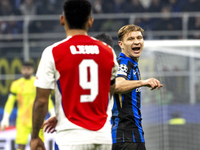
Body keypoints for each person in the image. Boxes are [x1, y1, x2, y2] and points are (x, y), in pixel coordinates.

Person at [30, 0, 118, 150]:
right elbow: (108, 91)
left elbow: (41, 101)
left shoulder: (53, 52)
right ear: (90, 22)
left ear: (62, 20)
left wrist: (34, 136)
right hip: (102, 136)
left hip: (72, 137)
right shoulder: (108, 52)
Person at [111, 24, 163, 150]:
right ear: (121, 44)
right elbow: (117, 85)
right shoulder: (124, 63)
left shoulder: (132, 64)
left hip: (131, 135)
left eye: (139, 38)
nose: (136, 41)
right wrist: (143, 82)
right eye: (130, 39)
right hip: (126, 136)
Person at [0, 62, 55, 150]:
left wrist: (53, 113)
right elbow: (10, 102)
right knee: (21, 146)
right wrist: (5, 117)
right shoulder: (16, 84)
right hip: (22, 122)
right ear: (21, 70)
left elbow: (46, 99)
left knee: (39, 145)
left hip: (38, 119)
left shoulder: (38, 82)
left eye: (28, 69)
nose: (26, 71)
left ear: (32, 70)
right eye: (24, 69)